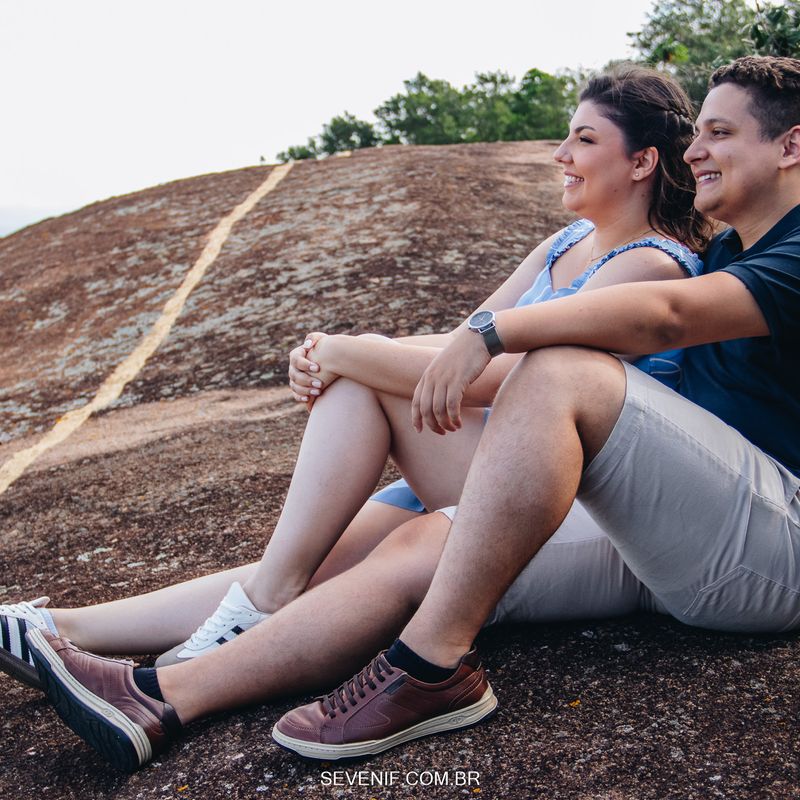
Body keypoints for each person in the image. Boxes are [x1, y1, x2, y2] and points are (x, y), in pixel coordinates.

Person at [1, 67, 713, 771]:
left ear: (642, 161)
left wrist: (353, 356)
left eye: (583, 139)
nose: (561, 153)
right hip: (490, 454)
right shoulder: (563, 246)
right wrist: (335, 352)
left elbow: (497, 374)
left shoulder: (650, 265)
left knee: (359, 390)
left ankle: (252, 610)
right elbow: (459, 343)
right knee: (312, 559)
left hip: (558, 482)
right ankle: (59, 631)